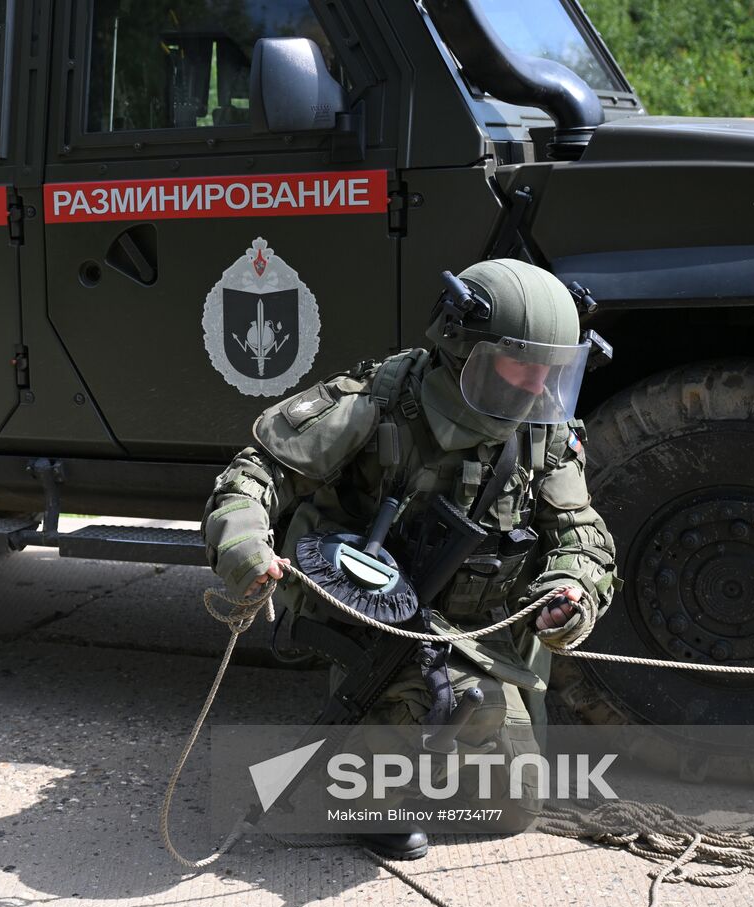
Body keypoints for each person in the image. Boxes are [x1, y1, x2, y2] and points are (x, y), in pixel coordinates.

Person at [201, 258, 618, 860]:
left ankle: (400, 752)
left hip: (477, 629)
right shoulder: (380, 400)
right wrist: (243, 543)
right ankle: (364, 786)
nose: (535, 387)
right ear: (460, 345)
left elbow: (582, 536)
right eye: (518, 366)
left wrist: (571, 594)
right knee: (445, 702)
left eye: (549, 372)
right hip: (370, 613)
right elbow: (255, 473)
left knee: (514, 807)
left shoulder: (543, 431)